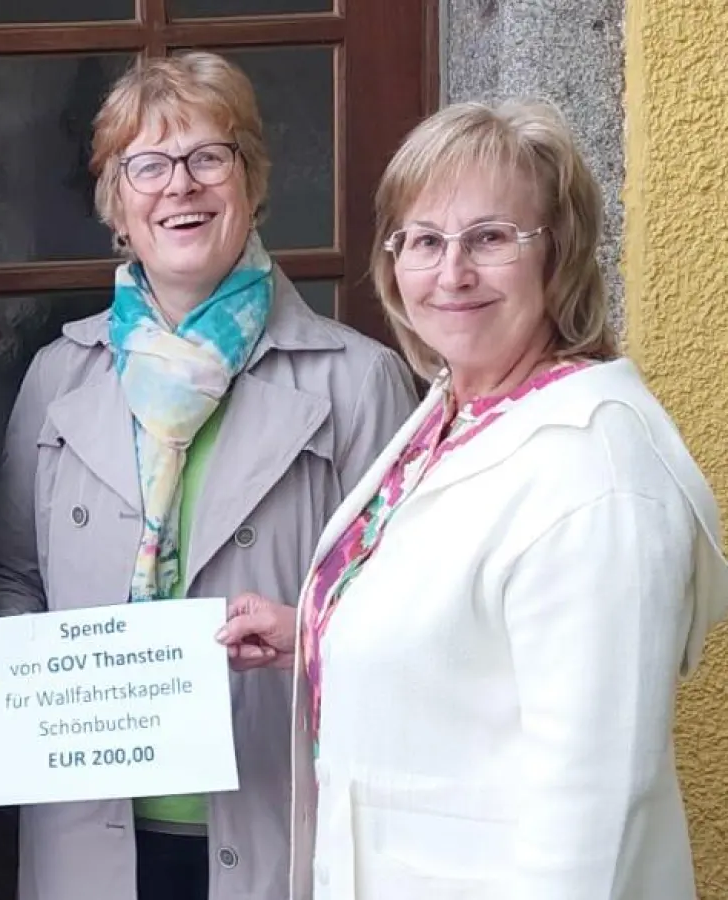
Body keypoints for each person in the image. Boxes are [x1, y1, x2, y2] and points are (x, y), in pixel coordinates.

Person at [217, 100, 728, 899]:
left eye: (490, 238)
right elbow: (467, 644)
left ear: (556, 256)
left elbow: (590, 820)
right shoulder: (454, 412)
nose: (450, 272)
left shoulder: (594, 470)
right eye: (422, 240)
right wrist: (322, 631)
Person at [0, 52, 417, 900]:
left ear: (250, 180)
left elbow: (405, 621)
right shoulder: (59, 376)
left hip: (278, 818)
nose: (179, 187)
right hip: (91, 826)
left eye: (208, 157)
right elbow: (14, 578)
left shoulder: (357, 379)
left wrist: (303, 633)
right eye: (147, 165)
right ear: (116, 205)